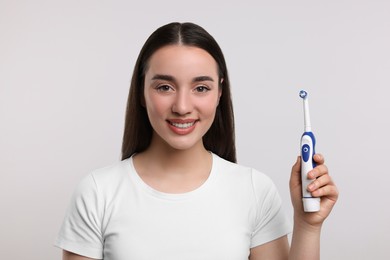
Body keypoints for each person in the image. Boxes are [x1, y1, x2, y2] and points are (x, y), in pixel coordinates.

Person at [55, 22, 338, 260]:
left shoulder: (254, 190)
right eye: (164, 87)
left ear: (219, 93)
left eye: (200, 87)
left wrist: (307, 226)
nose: (181, 106)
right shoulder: (97, 193)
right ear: (141, 92)